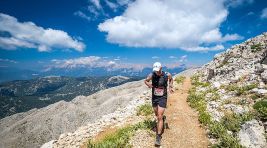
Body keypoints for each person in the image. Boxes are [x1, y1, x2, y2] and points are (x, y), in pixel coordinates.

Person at [144, 62, 174, 146]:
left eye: (158, 70)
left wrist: (170, 87)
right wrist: (148, 84)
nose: (156, 72)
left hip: (162, 97)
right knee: (156, 114)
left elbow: (171, 79)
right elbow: (145, 81)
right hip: (154, 97)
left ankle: (158, 136)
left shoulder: (167, 74)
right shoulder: (151, 75)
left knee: (159, 116)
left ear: (161, 68)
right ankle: (161, 121)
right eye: (155, 70)